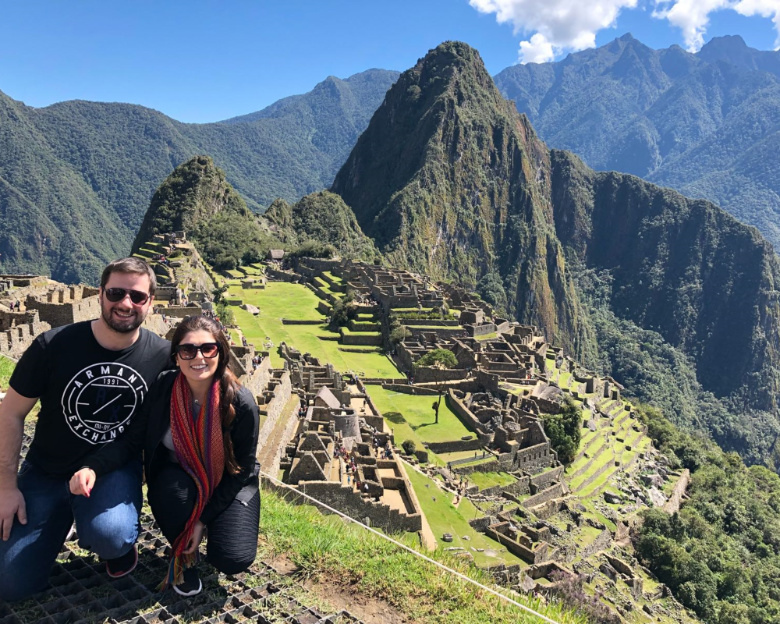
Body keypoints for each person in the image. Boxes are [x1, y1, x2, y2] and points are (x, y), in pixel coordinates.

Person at [0, 257, 170, 601]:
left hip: (112, 471)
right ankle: (57, 519)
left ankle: (112, 542)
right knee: (11, 585)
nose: (125, 303)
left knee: (111, 535)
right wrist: (6, 486)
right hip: (46, 471)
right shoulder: (53, 346)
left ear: (150, 302)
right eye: (116, 293)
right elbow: (11, 413)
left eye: (137, 296)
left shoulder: (161, 356)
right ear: (100, 294)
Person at [70, 315, 260, 597]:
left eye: (208, 349)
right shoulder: (164, 390)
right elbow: (133, 439)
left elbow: (241, 470)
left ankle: (204, 527)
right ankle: (185, 559)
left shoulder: (241, 403)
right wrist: (94, 467)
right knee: (172, 492)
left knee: (232, 559)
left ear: (221, 353)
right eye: (188, 350)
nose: (198, 357)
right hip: (177, 477)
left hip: (228, 483)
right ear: (176, 357)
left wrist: (201, 520)